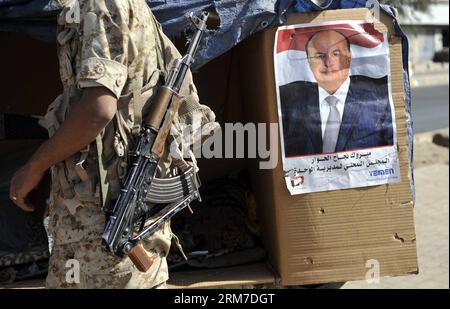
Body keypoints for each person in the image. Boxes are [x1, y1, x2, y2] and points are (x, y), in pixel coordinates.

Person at [8, 0, 215, 288]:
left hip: (104, 222)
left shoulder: (100, 4)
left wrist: (35, 166)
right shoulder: (128, 6)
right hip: (107, 217)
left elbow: (98, 109)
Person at [280, 29, 394, 157]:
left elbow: (394, 156)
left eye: (335, 53)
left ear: (349, 58)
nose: (328, 62)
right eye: (319, 55)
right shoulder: (286, 99)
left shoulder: (380, 96)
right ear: (309, 61)